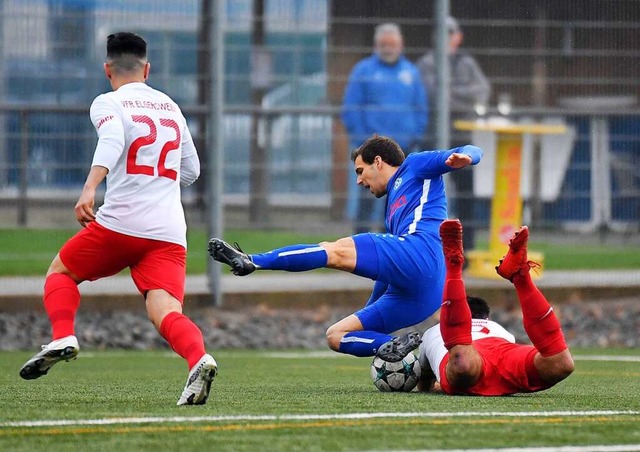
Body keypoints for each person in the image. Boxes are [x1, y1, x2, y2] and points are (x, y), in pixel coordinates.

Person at [19, 32, 217, 406]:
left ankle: (63, 335)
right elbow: (191, 170)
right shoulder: (171, 106)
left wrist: (91, 186)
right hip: (170, 231)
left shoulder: (108, 102)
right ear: (148, 69)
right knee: (165, 312)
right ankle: (199, 359)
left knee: (61, 273)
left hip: (122, 223)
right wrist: (159, 179)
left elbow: (111, 139)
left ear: (107, 68)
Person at [209, 135, 482, 362]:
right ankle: (402, 352)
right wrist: (367, 315)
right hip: (423, 291)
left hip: (421, 252)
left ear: (378, 162)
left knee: (334, 250)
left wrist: (467, 158)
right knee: (336, 335)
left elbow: (471, 149)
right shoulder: (392, 213)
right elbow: (388, 273)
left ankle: (253, 261)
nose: (359, 181)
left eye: (360, 171)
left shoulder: (415, 164)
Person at [418, 219, 574, 395]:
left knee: (463, 365)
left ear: (446, 317)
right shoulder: (496, 327)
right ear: (486, 318)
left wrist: (433, 386)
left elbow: (423, 382)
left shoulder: (432, 332)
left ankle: (454, 266)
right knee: (561, 364)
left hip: (473, 360)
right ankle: (520, 276)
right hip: (503, 354)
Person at [342, 23, 428, 234]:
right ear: (376, 45)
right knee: (366, 197)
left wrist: (414, 135)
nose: (388, 48)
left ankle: (391, 245)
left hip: (401, 150)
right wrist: (365, 142)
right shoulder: (364, 71)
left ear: (400, 45)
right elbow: (350, 109)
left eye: (392, 44)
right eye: (384, 44)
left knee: (397, 199)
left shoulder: (411, 72)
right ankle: (360, 245)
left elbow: (421, 109)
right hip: (371, 151)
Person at [417, 17, 490, 252]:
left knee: (466, 196)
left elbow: (482, 91)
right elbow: (434, 96)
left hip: (461, 138)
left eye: (451, 34)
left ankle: (465, 250)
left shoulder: (466, 62)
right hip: (434, 138)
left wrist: (451, 93)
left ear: (458, 37)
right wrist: (460, 96)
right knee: (432, 195)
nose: (447, 39)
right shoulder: (427, 63)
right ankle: (429, 249)